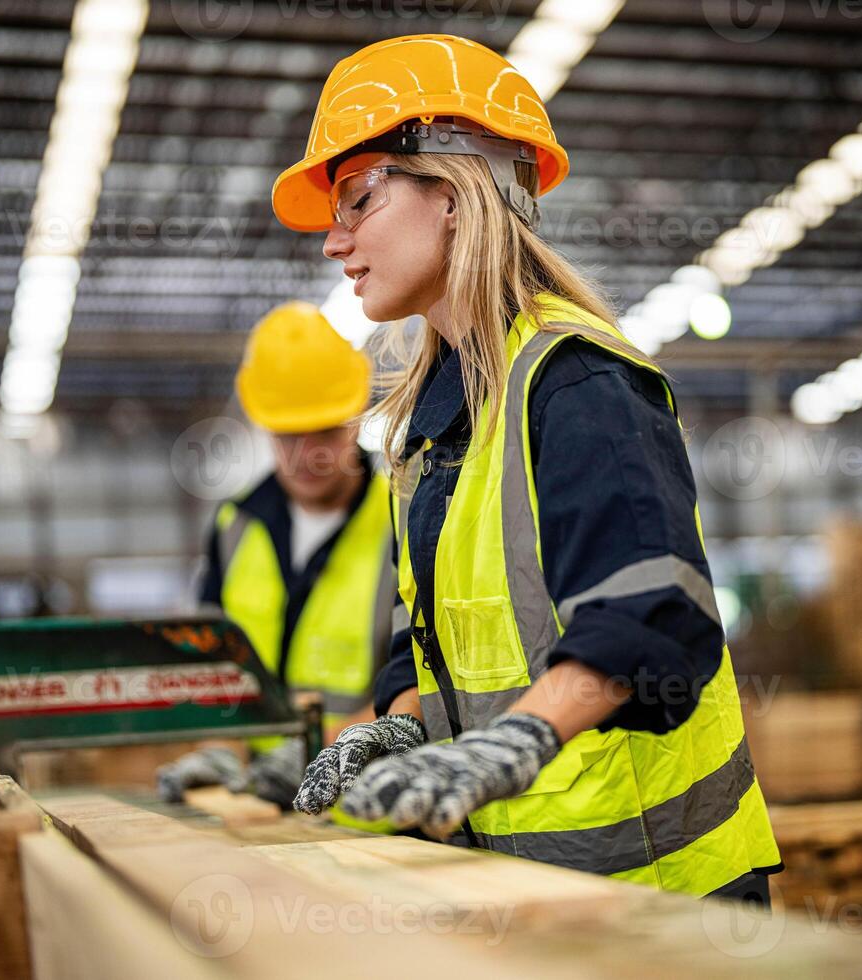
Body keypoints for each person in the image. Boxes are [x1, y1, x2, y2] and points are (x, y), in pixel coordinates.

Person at [280, 34, 782, 903]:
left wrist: (511, 744)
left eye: (357, 198)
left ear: (454, 192)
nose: (335, 241)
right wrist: (394, 733)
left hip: (666, 896)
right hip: (534, 893)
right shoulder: (429, 428)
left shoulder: (578, 384)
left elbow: (654, 617)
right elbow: (427, 646)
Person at [156, 303, 394, 806]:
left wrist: (327, 751)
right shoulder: (233, 526)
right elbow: (211, 662)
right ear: (265, 427)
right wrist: (223, 751)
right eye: (289, 435)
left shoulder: (404, 517)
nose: (308, 454)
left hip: (370, 805)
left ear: (355, 420)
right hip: (258, 801)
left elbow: (424, 677)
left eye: (326, 430)